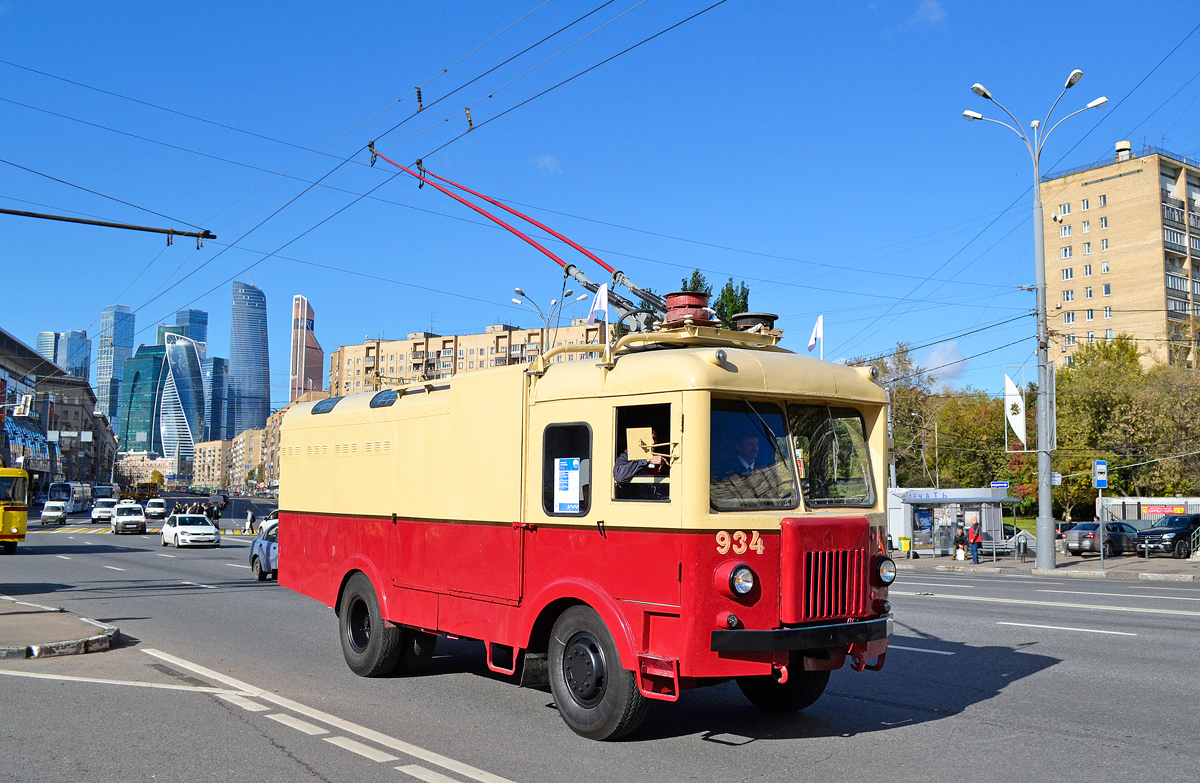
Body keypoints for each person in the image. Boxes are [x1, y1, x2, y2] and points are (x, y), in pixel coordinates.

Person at [614, 428, 668, 499]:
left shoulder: (659, 460)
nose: (653, 442)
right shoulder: (626, 457)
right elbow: (619, 477)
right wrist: (646, 460)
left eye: (654, 439)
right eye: (649, 438)